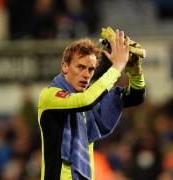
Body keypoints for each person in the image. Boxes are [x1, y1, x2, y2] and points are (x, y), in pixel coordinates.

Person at [37, 29, 146, 180]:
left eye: (91, 69)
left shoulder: (92, 97)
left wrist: (135, 73)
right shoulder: (49, 95)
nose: (86, 75)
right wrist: (117, 67)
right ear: (65, 67)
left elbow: (135, 97)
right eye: (80, 67)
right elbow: (85, 101)